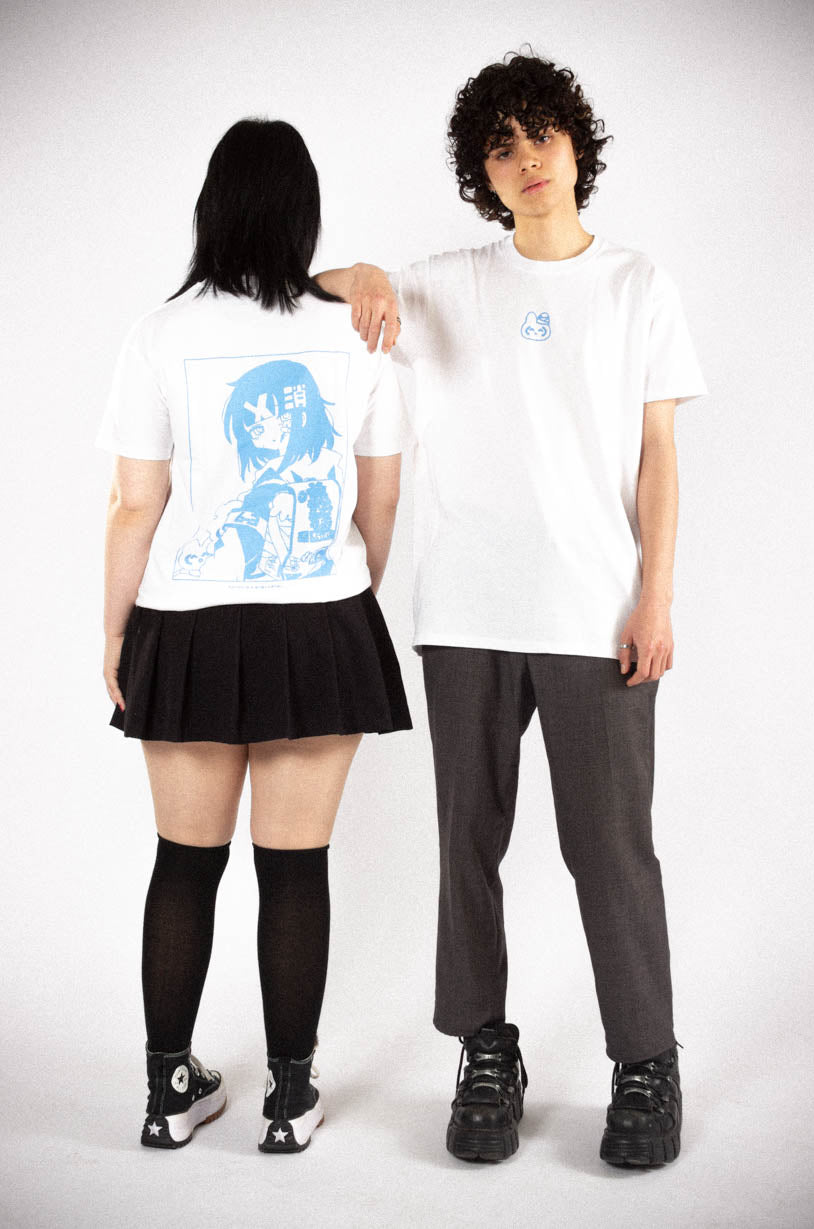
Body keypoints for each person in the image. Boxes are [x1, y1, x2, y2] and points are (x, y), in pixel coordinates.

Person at [318, 51, 707, 1166]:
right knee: (467, 843)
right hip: (465, 610)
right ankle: (484, 1045)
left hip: (596, 610)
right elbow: (305, 289)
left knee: (611, 848)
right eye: (501, 147)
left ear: (577, 146)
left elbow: (659, 455)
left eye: (541, 135)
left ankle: (646, 1057)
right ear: (481, 177)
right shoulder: (447, 281)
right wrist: (360, 273)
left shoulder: (637, 285)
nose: (526, 159)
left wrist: (656, 595)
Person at [98, 118, 410, 1154]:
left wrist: (115, 633)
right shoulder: (358, 330)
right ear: (304, 215)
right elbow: (380, 496)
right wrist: (345, 588)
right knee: (294, 866)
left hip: (184, 628)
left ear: (211, 209)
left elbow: (133, 504)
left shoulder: (158, 333)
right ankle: (288, 1098)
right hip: (320, 624)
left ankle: (167, 1094)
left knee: (185, 864)